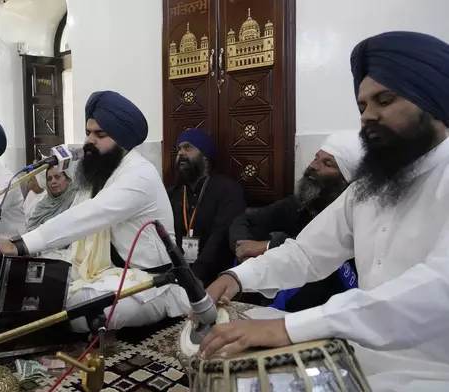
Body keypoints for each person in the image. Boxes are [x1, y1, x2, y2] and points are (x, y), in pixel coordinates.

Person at [200, 31, 449, 391]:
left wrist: (288, 328)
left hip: (434, 371)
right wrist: (239, 278)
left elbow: (435, 289)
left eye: (385, 100)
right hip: (360, 353)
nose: (368, 116)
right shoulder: (368, 189)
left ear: (432, 100)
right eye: (363, 106)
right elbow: (307, 254)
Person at [0, 91, 190, 332]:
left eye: (100, 134)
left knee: (77, 305)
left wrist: (21, 244)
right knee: (41, 281)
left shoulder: (140, 175)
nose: (89, 140)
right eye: (88, 132)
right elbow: (77, 237)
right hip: (108, 272)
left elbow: (87, 217)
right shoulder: (101, 175)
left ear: (122, 139)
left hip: (153, 284)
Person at [228, 133, 362, 311]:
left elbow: (318, 254)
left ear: (346, 181)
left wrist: (270, 245)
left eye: (327, 163)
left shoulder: (357, 218)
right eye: (316, 158)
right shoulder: (302, 203)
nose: (314, 166)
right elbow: (245, 220)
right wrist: (243, 248)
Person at [167, 128, 246, 285]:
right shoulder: (172, 193)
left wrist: (195, 276)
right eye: (179, 149)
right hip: (176, 275)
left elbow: (220, 237)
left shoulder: (228, 189)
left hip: (214, 278)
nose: (181, 153)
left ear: (205, 156)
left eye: (188, 147)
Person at [26, 164, 76, 231]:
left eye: (57, 177)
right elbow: (30, 230)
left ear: (67, 179)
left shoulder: (76, 198)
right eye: (49, 179)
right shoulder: (42, 205)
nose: (53, 181)